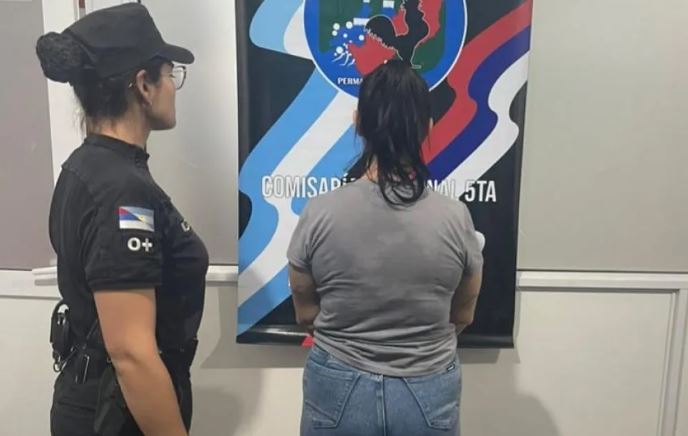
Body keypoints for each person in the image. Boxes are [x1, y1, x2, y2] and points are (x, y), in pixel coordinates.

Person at [36, 4, 208, 436]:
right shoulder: (121, 189)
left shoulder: (87, 166)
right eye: (170, 74)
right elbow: (131, 354)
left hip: (100, 399)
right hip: (115, 412)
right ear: (144, 85)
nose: (174, 87)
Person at [288, 60, 484, 436]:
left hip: (337, 382)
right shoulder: (455, 217)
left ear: (358, 123)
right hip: (428, 386)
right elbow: (464, 312)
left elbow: (303, 305)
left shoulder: (320, 212)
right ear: (428, 127)